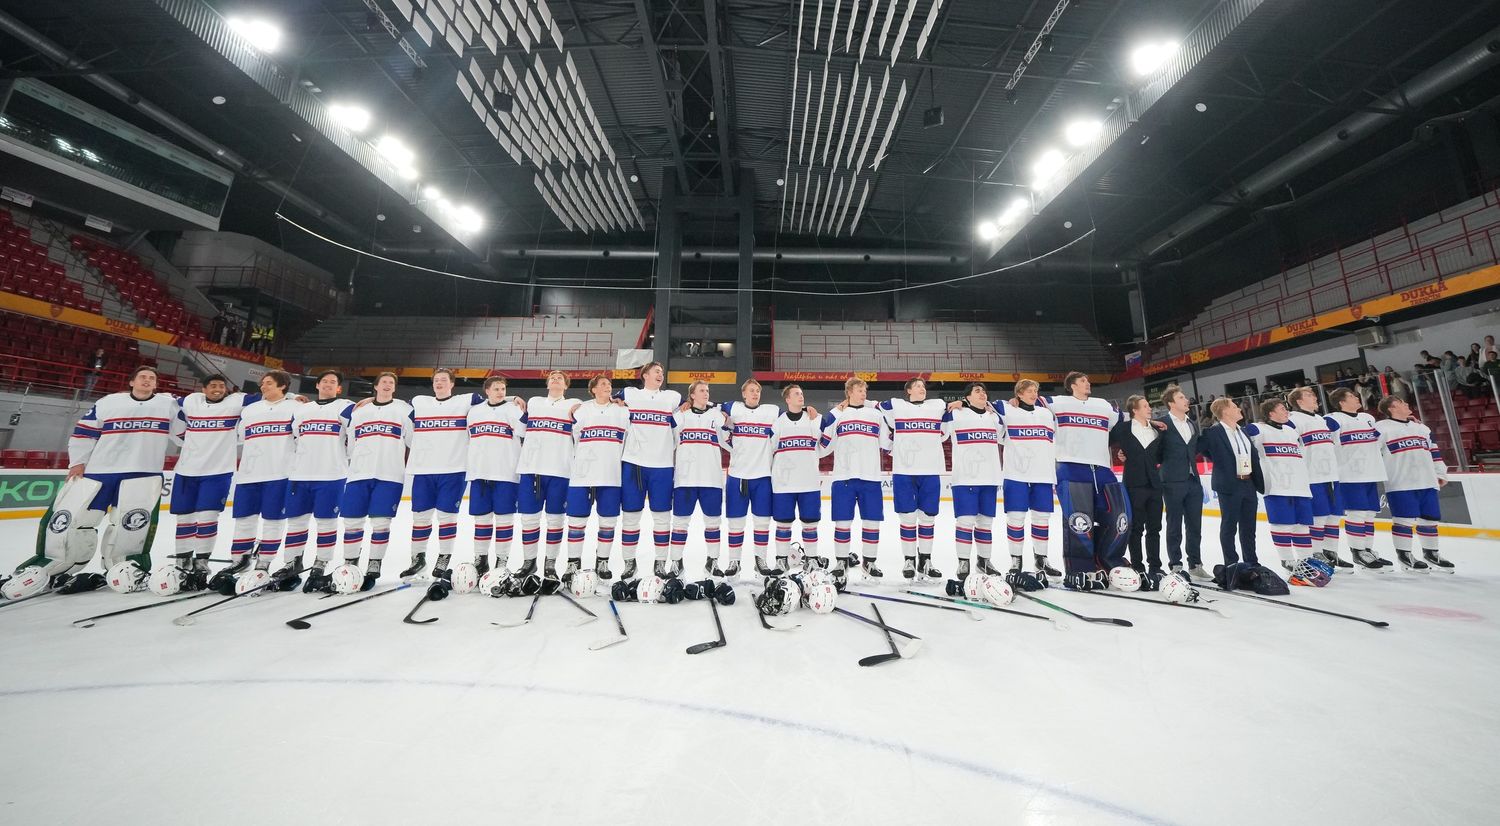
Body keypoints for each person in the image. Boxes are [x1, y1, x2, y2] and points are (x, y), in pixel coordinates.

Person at [3, 366, 174, 599]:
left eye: (152, 378)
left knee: (132, 526)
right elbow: (84, 432)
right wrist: (78, 462)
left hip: (143, 473)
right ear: (131, 381)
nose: (147, 380)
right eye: (142, 377)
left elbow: (186, 432)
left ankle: (128, 567)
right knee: (69, 520)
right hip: (99, 471)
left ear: (156, 384)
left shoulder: (169, 405)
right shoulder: (108, 402)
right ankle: (53, 565)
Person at [1041, 372, 1156, 590]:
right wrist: (1011, 403)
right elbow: (1031, 404)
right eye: (1083, 381)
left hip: (1102, 469)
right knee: (1079, 521)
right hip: (1071, 467)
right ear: (1072, 385)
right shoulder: (1058, 402)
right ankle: (1080, 568)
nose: (1088, 383)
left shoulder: (1103, 405)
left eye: (1087, 380)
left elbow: (1126, 422)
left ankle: (1109, 560)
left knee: (1120, 517)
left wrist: (1150, 423)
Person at [210, 370, 299, 594]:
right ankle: (239, 560)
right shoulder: (250, 410)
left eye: (268, 383)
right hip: (248, 475)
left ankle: (264, 563)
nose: (263, 386)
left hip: (279, 474)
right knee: (244, 520)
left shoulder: (295, 408)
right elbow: (242, 437)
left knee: (273, 521)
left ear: (282, 386)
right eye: (262, 383)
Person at [169, 373, 257, 590]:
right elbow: (171, 403)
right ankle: (182, 562)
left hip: (218, 472)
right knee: (184, 519)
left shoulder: (236, 402)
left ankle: (202, 563)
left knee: (207, 518)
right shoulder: (192, 401)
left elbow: (265, 396)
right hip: (186, 470)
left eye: (221, 385)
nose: (217, 389)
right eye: (213, 385)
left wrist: (293, 397)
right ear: (204, 389)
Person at [325, 372, 411, 592]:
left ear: (395, 388)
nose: (387, 385)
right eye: (383, 382)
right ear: (375, 386)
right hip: (358, 474)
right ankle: (350, 562)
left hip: (390, 474)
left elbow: (411, 438)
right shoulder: (359, 410)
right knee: (352, 522)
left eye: (391, 383)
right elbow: (351, 442)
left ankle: (374, 563)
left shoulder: (404, 409)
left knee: (381, 522)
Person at [402, 368, 482, 579]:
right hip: (423, 469)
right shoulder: (419, 401)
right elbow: (394, 408)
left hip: (453, 469)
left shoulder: (466, 401)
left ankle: (443, 557)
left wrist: (513, 398)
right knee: (420, 517)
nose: (439, 383)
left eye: (444, 380)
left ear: (452, 383)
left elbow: (493, 402)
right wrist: (367, 401)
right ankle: (417, 559)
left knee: (447, 517)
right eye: (436, 380)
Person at [280, 370, 353, 587]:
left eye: (333, 382)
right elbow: (294, 437)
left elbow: (355, 432)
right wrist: (292, 396)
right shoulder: (302, 410)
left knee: (326, 523)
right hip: (300, 474)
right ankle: (292, 563)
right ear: (317, 385)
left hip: (331, 475)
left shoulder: (345, 407)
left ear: (338, 388)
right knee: (296, 522)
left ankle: (321, 564)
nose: (328, 384)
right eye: (325, 381)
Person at [614, 362, 680, 580]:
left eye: (662, 372)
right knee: (630, 516)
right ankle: (629, 562)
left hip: (662, 465)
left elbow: (694, 406)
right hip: (634, 463)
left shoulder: (672, 397)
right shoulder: (630, 393)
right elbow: (605, 399)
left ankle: (660, 562)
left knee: (662, 517)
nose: (661, 374)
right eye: (656, 371)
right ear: (645, 375)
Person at [1243, 398, 1319, 584]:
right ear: (1270, 414)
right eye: (1282, 409)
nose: (1287, 412)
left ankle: (1306, 561)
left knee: (1302, 526)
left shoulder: (1292, 431)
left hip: (1300, 486)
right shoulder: (1258, 429)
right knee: (1282, 525)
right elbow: (1240, 438)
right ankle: (1287, 561)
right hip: (1277, 487)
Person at [515, 370, 580, 586]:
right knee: (529, 519)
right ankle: (529, 562)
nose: (555, 379)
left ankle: (550, 563)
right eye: (552, 377)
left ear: (566, 385)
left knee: (555, 520)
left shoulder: (575, 404)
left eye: (560, 378)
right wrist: (512, 398)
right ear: (547, 383)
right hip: (531, 468)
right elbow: (520, 429)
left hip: (560, 470)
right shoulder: (534, 402)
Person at [1374, 395, 1453, 572]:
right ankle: (1404, 556)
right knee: (1403, 519)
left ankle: (1431, 553)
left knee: (1429, 519)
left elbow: (1434, 451)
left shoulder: (1422, 428)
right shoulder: (1381, 428)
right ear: (1391, 408)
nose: (1406, 404)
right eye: (1401, 402)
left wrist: (1440, 473)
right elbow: (1370, 451)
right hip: (1400, 482)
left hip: (1427, 480)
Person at [822, 376, 890, 579]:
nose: (864, 393)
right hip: (844, 476)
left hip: (871, 476)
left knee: (872, 522)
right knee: (842, 522)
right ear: (849, 392)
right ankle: (841, 562)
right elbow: (825, 445)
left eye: (865, 390)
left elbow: (887, 443)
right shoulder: (839, 415)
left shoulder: (876, 415)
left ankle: (869, 562)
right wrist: (836, 411)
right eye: (860, 390)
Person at [880, 378, 948, 579]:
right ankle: (909, 559)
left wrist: (961, 402)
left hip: (930, 469)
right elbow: (871, 406)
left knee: (928, 517)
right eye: (917, 386)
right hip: (904, 471)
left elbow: (948, 425)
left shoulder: (938, 405)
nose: (922, 388)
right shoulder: (896, 405)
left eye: (923, 386)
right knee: (908, 517)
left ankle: (925, 560)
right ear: (908, 390)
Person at [1322, 387, 1392, 571]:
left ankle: (1368, 549)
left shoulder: (1367, 418)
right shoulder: (1332, 419)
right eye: (1352, 396)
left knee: (1369, 514)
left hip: (1372, 472)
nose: (1356, 397)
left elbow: (1378, 440)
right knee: (1357, 513)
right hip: (1349, 475)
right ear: (1341, 402)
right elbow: (1325, 445)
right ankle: (1358, 551)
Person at [565, 376, 627, 579]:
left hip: (611, 474)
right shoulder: (582, 409)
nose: (608, 387)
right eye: (603, 384)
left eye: (609, 384)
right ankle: (573, 562)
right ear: (593, 389)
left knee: (608, 522)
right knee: (576, 521)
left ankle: (602, 561)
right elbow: (572, 438)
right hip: (582, 475)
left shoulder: (622, 411)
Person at [720, 378, 782, 576]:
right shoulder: (734, 408)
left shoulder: (770, 411)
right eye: (752, 390)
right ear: (743, 394)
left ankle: (760, 560)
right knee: (735, 523)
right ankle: (734, 561)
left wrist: (807, 409)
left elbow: (792, 415)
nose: (755, 393)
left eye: (758, 391)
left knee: (762, 522)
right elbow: (713, 408)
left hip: (762, 476)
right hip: (737, 475)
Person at [996, 380, 1058, 577]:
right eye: (1029, 391)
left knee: (1042, 518)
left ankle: (1042, 559)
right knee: (1016, 518)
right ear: (1019, 394)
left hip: (1043, 474)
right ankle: (1016, 560)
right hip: (1016, 475)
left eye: (1035, 390)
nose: (1033, 394)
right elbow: (987, 405)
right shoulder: (1007, 410)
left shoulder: (1046, 414)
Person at [466, 376, 525, 579]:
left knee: (504, 519)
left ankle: (502, 559)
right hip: (480, 472)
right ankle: (480, 558)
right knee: (481, 519)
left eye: (503, 389)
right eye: (496, 389)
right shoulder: (474, 412)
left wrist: (512, 399)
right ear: (487, 391)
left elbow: (524, 431)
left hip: (506, 473)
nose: (500, 392)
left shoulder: (513, 410)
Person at [1286, 387, 1351, 570]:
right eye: (1309, 395)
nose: (1314, 397)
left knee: (1334, 516)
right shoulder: (1293, 420)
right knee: (1319, 516)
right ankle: (1316, 553)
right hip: (1312, 476)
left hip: (1331, 475)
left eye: (1314, 394)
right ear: (1299, 401)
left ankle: (1331, 552)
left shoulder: (1321, 419)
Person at [943, 382, 1002, 580]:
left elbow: (1005, 432)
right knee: (965, 522)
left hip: (990, 478)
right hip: (965, 478)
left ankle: (984, 561)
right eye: (977, 391)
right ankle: (963, 561)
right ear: (967, 397)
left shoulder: (994, 417)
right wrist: (956, 403)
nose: (982, 393)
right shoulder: (956, 414)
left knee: (986, 523)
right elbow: (940, 426)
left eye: (984, 391)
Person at [672, 381, 729, 579]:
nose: (706, 393)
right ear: (692, 395)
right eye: (702, 390)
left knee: (713, 523)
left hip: (711, 479)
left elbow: (728, 437)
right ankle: (676, 561)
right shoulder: (680, 416)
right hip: (685, 479)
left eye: (707, 390)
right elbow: (667, 440)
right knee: (680, 523)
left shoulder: (716, 415)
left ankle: (712, 562)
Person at [1198, 397, 1261, 566]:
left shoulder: (1243, 431)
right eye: (1234, 407)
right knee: (1229, 526)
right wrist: (1223, 464)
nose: (1239, 409)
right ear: (1225, 411)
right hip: (1229, 485)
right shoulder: (1213, 432)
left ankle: (1252, 562)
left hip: (1248, 483)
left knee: (1249, 527)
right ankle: (1231, 564)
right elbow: (1202, 450)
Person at [769, 384, 824, 575]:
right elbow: (769, 450)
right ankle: (781, 560)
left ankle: (812, 559)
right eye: (796, 394)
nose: (801, 396)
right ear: (788, 399)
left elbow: (826, 444)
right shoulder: (778, 423)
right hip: (784, 484)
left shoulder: (814, 419)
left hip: (809, 482)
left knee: (810, 523)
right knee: (783, 523)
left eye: (802, 393)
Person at [1108, 395, 1162, 574]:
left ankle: (1155, 567)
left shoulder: (1158, 430)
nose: (1149, 408)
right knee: (1136, 528)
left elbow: (1161, 455)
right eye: (1145, 406)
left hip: (1155, 485)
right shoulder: (1123, 428)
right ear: (1134, 410)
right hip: (1134, 484)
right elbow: (1104, 440)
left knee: (1155, 528)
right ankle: (1138, 566)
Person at [1155, 387, 1206, 578]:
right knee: (1174, 524)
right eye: (1181, 397)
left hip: (1193, 480)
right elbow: (1156, 451)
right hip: (1171, 480)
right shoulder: (1162, 424)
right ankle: (1176, 564)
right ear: (1171, 403)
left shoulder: (1192, 423)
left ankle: (1195, 564)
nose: (1186, 400)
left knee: (1195, 525)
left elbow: (1194, 448)